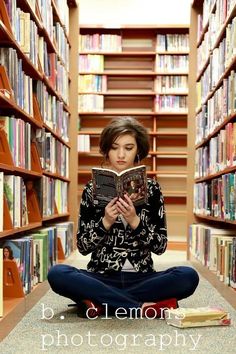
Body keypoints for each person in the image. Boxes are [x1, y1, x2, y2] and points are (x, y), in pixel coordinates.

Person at [48, 116, 199, 319]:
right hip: (101, 277)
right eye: (114, 147)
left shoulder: (152, 190)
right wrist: (105, 222)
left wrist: (135, 221)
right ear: (106, 150)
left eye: (128, 148)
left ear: (138, 151)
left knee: (187, 276)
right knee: (58, 274)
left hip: (143, 278)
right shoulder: (91, 190)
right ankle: (139, 308)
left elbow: (160, 247)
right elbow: (83, 247)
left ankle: (100, 302)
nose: (120, 155)